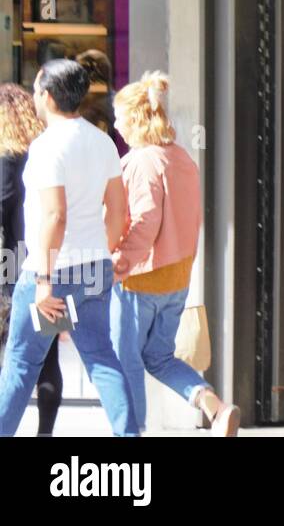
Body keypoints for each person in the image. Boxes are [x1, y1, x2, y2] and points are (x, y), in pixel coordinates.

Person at [0, 60, 138, 437]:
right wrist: (102, 251)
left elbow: (54, 217)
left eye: (35, 88)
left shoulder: (46, 147)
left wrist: (43, 281)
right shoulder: (102, 141)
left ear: (46, 94)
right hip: (93, 270)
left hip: (52, 276)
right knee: (101, 358)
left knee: (22, 363)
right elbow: (118, 209)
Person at [109, 72, 241, 435]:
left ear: (135, 118)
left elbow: (145, 221)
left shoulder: (141, 161)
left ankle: (129, 434)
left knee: (126, 363)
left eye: (119, 116)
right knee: (161, 357)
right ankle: (214, 406)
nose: (115, 123)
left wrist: (118, 265)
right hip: (177, 279)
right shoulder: (181, 157)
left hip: (139, 280)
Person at [0, 83, 65, 436]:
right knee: (49, 353)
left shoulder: (7, 160)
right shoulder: (47, 152)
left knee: (18, 358)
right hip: (53, 261)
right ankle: (45, 432)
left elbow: (4, 205)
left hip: (15, 267)